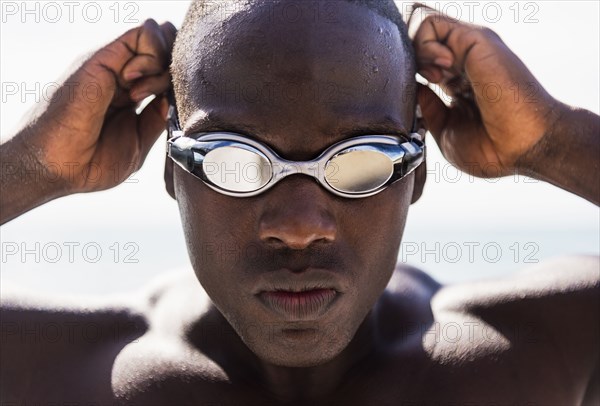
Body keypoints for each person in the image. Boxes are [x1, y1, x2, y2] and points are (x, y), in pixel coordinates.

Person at [1, 1, 598, 404]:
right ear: (172, 169)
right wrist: (28, 165)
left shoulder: (534, 353)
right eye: (235, 161)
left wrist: (555, 142)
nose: (298, 226)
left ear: (416, 175)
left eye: (360, 160)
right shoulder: (55, 371)